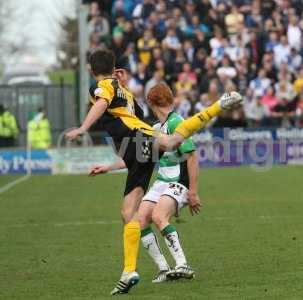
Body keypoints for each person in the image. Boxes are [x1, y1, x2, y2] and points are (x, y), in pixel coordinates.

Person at [65, 48, 242, 296]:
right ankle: (129, 272)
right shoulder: (122, 91)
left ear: (91, 70)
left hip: (137, 140)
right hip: (136, 151)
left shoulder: (103, 86)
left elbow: (104, 102)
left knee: (171, 143)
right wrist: (108, 166)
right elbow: (129, 112)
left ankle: (217, 106)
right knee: (128, 214)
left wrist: (83, 127)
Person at [90, 90, 201, 283]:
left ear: (151, 103)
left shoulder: (176, 122)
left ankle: (183, 264)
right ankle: (164, 269)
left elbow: (191, 156)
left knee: (158, 216)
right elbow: (135, 158)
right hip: (161, 183)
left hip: (178, 182)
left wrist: (193, 191)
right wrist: (108, 167)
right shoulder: (155, 127)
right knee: (139, 219)